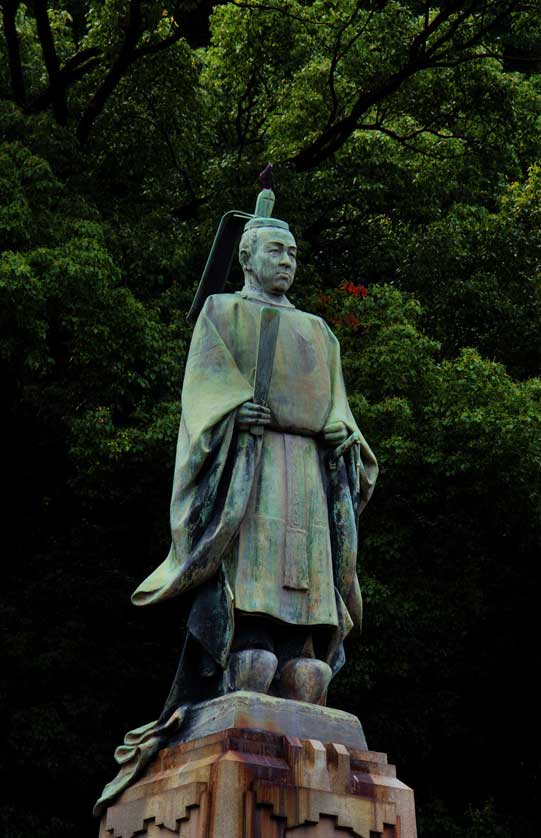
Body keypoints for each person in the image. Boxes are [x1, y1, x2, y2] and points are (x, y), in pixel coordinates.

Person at [94, 192, 377, 817]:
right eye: (276, 250)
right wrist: (231, 415)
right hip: (250, 469)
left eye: (294, 253)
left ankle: (303, 651)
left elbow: (342, 414)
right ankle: (244, 650)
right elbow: (205, 396)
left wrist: (342, 439)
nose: (288, 262)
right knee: (249, 619)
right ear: (248, 256)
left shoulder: (319, 332)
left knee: (309, 658)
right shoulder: (221, 314)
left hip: (305, 473)